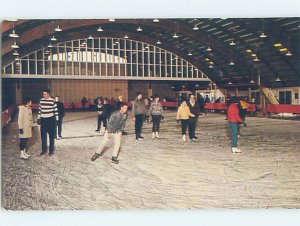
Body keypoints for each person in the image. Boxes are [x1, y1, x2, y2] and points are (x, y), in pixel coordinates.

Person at [37, 89, 59, 156]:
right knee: (43, 137)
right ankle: (44, 150)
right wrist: (38, 118)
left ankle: (51, 151)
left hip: (51, 120)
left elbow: (56, 111)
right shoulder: (41, 100)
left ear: (48, 94)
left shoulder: (53, 101)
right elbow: (40, 109)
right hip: (43, 120)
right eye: (43, 94)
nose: (44, 95)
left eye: (45, 94)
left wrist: (57, 120)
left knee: (51, 137)